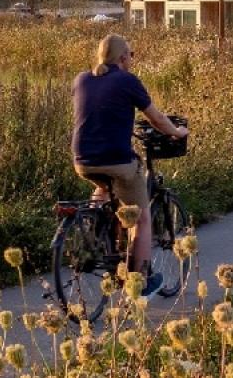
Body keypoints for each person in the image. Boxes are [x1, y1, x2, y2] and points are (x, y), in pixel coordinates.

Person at [71, 34, 188, 293]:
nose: (131, 60)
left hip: (83, 161)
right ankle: (141, 281)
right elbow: (156, 118)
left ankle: (94, 231)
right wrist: (177, 132)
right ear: (123, 57)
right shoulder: (127, 80)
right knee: (142, 218)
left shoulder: (81, 79)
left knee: (104, 186)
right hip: (117, 161)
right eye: (131, 55)